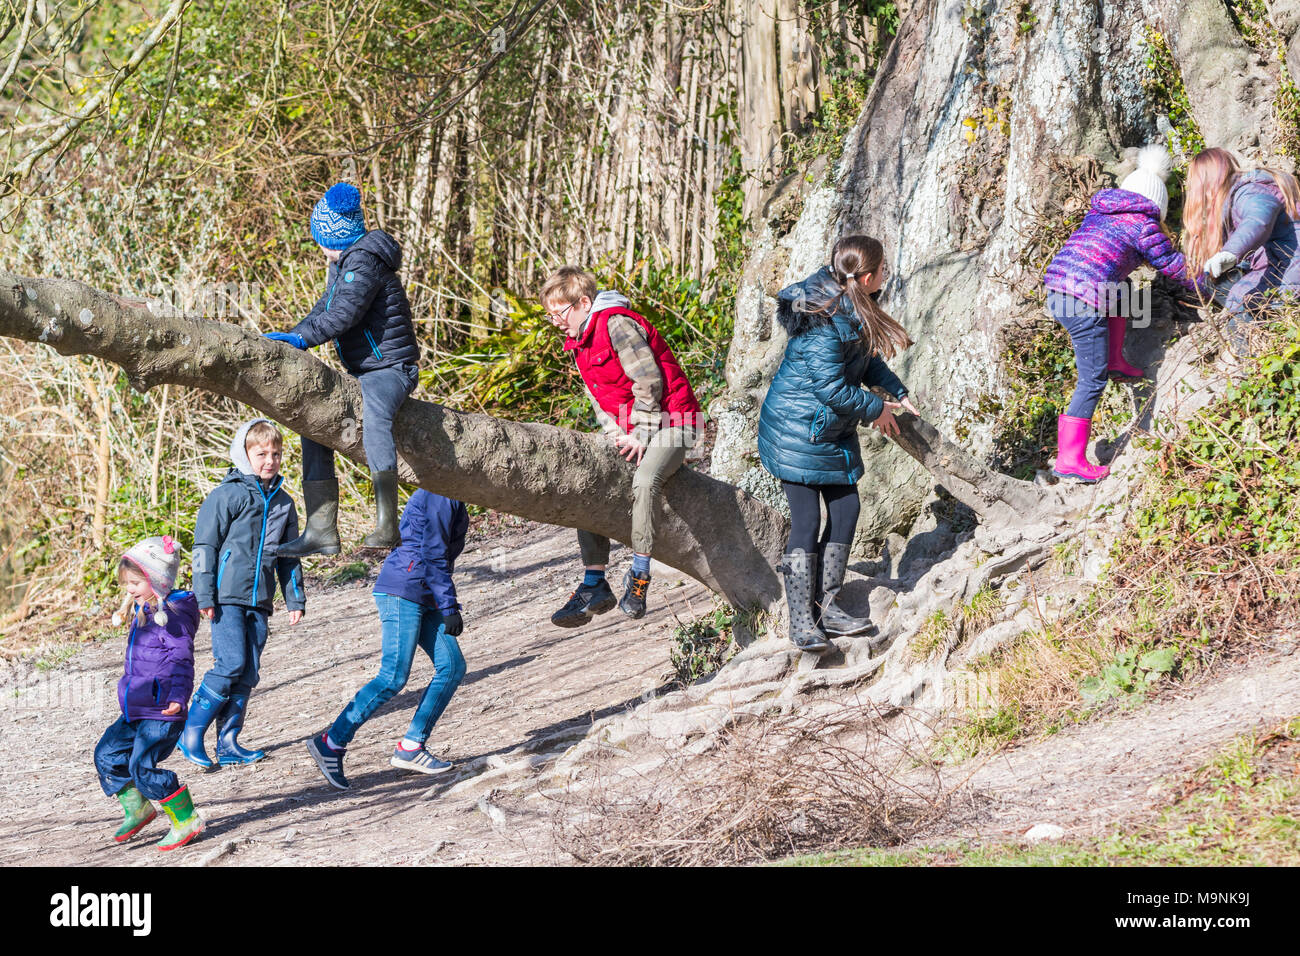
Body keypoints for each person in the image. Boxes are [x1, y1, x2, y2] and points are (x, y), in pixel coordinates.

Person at [757, 235, 917, 653]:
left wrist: (896, 391)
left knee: (847, 510)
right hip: (796, 433)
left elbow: (866, 361)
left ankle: (827, 604)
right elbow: (831, 388)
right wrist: (874, 408)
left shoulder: (853, 302)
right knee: (807, 522)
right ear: (865, 277)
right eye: (882, 270)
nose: (886, 275)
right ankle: (801, 621)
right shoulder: (821, 321)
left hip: (828, 429)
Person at [264, 182, 421, 555]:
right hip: (364, 371)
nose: (317, 246)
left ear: (333, 236)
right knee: (313, 420)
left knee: (376, 413)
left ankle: (387, 525)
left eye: (319, 237)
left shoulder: (363, 261)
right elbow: (325, 307)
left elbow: (344, 315)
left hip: (391, 368)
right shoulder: (343, 263)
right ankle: (321, 530)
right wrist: (293, 334)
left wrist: (304, 340)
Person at [540, 266, 702, 625]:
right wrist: (615, 432)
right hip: (634, 429)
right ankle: (594, 581)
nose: (555, 322)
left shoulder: (616, 323)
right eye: (549, 315)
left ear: (583, 302)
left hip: (675, 422)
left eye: (559, 313)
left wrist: (640, 434)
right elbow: (600, 400)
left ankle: (639, 576)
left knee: (645, 481)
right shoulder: (578, 345)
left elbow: (649, 381)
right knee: (587, 479)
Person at [1042, 145, 1201, 482]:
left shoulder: (1101, 212)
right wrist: (1206, 275)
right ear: (1158, 204)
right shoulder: (1143, 225)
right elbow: (1172, 266)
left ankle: (1117, 359)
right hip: (1083, 300)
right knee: (1091, 379)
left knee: (1125, 288)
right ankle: (1069, 459)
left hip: (1058, 289)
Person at [306, 489, 469, 790]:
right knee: (393, 675)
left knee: (452, 666)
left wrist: (442, 601)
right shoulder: (440, 490)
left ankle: (411, 747)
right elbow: (433, 552)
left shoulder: (452, 491)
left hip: (424, 591)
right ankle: (331, 742)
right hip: (403, 590)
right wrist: (449, 605)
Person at [180, 418, 305, 769]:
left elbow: (289, 556)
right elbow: (205, 546)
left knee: (248, 670)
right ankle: (190, 732)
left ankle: (229, 742)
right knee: (230, 662)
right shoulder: (227, 495)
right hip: (225, 597)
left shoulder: (284, 504)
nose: (270, 460)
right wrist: (204, 594)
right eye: (261, 453)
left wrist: (294, 599)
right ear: (244, 454)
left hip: (260, 599)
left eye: (276, 454)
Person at [93, 536, 206, 850]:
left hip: (163, 709)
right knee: (106, 755)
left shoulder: (172, 614)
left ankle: (186, 820)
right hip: (137, 707)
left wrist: (178, 697)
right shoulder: (144, 609)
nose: (128, 589)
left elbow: (181, 659)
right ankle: (139, 808)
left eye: (134, 582)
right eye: (126, 583)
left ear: (156, 579)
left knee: (141, 767)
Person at [1182, 146, 1300, 353]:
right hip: (1283, 263)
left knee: (1238, 297)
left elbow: (1258, 220)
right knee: (1218, 283)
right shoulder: (1243, 192)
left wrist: (1230, 252)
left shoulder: (1249, 190)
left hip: (1291, 267)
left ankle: (1255, 370)